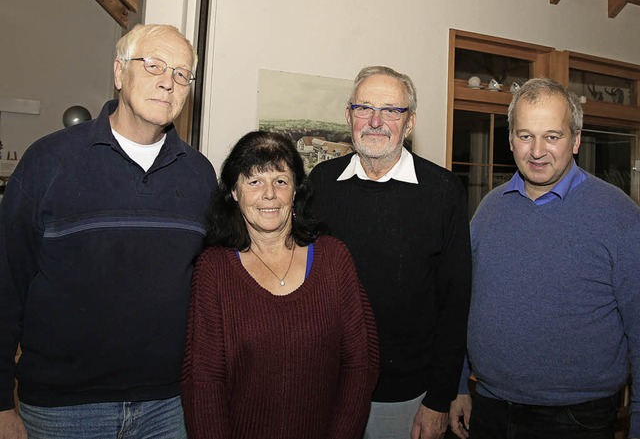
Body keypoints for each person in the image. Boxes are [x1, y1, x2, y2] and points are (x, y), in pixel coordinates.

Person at [0, 24, 217, 439]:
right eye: (153, 65)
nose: (167, 82)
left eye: (181, 73)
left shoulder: (199, 176)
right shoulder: (49, 161)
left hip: (168, 407)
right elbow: (6, 283)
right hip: (62, 410)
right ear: (119, 73)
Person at [449, 77, 640, 439]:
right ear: (510, 140)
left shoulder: (619, 216)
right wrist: (458, 386)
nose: (537, 151)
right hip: (489, 406)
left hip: (577, 420)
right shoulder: (490, 209)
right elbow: (462, 302)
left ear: (577, 140)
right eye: (525, 136)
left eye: (552, 136)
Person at [180, 130, 379, 438]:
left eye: (281, 181)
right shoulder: (213, 269)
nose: (269, 194)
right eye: (254, 181)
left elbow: (359, 364)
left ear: (296, 190)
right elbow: (204, 382)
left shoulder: (334, 258)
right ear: (234, 191)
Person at [309, 66, 472, 439]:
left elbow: (455, 303)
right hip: (326, 385)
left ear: (410, 122)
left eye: (391, 111)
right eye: (364, 108)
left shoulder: (443, 192)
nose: (376, 121)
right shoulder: (320, 183)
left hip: (406, 397)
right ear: (348, 117)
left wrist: (439, 399)